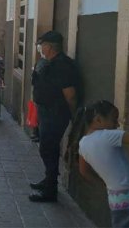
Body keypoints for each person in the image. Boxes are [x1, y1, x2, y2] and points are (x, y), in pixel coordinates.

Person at [77, 100, 129, 227]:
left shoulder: (83, 144)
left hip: (115, 199)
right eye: (114, 120)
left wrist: (105, 184)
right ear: (98, 119)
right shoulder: (109, 135)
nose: (116, 125)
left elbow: (84, 171)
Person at [29, 30, 78, 202]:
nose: (40, 48)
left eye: (42, 45)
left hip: (56, 112)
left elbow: (70, 94)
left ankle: (51, 190)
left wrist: (74, 115)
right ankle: (49, 179)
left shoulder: (62, 65)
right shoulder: (47, 62)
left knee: (48, 148)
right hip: (45, 111)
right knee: (47, 147)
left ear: (49, 46)